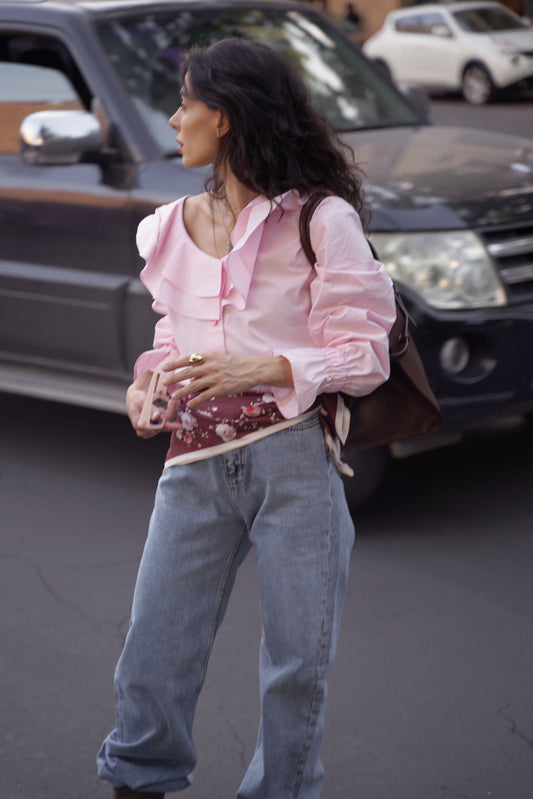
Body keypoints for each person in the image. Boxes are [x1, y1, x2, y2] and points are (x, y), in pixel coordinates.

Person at [97, 37, 396, 799]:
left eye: (186, 101)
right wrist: (146, 386)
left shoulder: (319, 220)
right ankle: (137, 781)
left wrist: (268, 367)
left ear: (224, 117)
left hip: (292, 456)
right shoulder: (170, 225)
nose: (174, 118)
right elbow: (175, 333)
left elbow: (365, 354)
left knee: (297, 665)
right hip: (193, 463)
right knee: (153, 651)